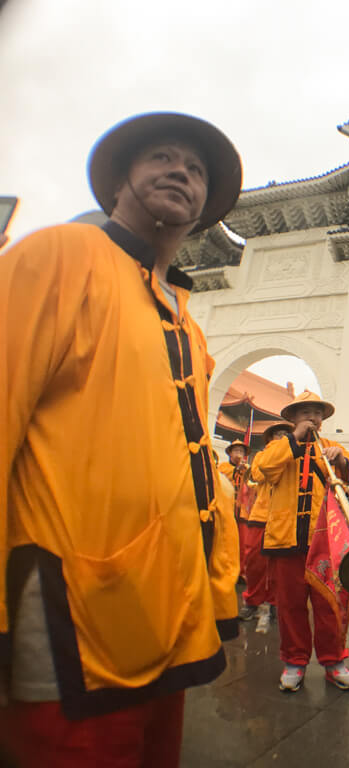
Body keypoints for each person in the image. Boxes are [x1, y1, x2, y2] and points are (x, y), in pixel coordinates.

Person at [0, 112, 243, 767]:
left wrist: (218, 593)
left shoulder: (184, 321)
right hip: (69, 611)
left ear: (203, 209)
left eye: (195, 170)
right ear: (119, 184)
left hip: (169, 617)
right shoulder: (58, 255)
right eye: (161, 158)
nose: (180, 173)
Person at [258, 391, 349, 693]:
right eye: (305, 413)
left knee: (329, 605)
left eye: (316, 413)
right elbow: (264, 467)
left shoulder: (332, 447)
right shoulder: (279, 446)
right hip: (284, 540)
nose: (312, 419)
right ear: (292, 419)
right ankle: (294, 661)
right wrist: (294, 439)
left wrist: (340, 459)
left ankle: (334, 662)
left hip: (324, 542)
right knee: (290, 606)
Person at [242, 422, 294, 633]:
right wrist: (279, 451)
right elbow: (260, 475)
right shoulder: (263, 456)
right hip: (261, 515)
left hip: (283, 517)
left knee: (278, 565)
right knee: (253, 562)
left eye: (285, 434)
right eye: (277, 434)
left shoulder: (294, 455)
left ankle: (274, 602)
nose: (282, 437)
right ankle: (252, 601)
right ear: (270, 438)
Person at [219, 439, 254, 578]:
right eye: (236, 451)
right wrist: (235, 471)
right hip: (227, 509)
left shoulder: (247, 469)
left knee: (242, 544)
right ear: (230, 453)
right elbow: (221, 480)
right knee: (225, 541)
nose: (239, 454)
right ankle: (223, 570)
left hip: (242, 512)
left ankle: (240, 573)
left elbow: (253, 485)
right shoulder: (223, 467)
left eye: (241, 451)